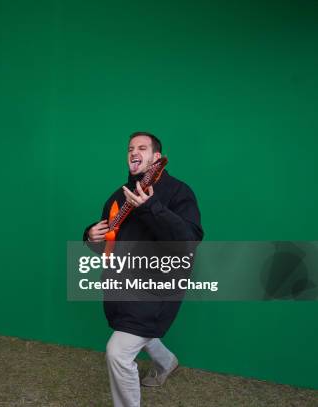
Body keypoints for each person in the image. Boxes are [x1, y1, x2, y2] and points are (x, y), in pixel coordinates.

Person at [83, 132, 203, 407]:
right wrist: (91, 236)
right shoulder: (118, 196)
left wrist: (151, 207)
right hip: (120, 287)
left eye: (142, 148)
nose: (133, 152)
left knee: (118, 351)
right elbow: (107, 246)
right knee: (136, 330)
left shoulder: (178, 192)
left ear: (156, 158)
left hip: (157, 290)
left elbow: (188, 241)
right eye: (129, 148)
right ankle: (167, 362)